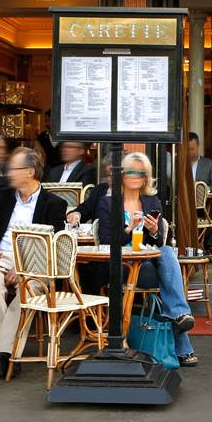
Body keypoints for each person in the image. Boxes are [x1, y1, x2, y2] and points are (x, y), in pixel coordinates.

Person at [83, 152, 200, 365]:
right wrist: (129, 228)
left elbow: (157, 243)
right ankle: (182, 337)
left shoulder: (152, 201)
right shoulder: (107, 203)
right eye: (131, 172)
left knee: (166, 251)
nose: (136, 176)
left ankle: (180, 316)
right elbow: (108, 242)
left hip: (145, 265)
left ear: (146, 177)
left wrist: (154, 231)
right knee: (168, 281)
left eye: (141, 173)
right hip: (119, 266)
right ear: (122, 175)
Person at [0, 148, 70, 377]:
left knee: (26, 291)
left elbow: (51, 246)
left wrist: (23, 268)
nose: (8, 173)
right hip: (0, 258)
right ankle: (3, 354)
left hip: (35, 263)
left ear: (30, 171)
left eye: (13, 168)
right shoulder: (3, 197)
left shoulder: (54, 204)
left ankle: (1, 354)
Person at [187, 134, 212, 221]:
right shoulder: (180, 164)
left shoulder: (209, 164)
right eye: (187, 149)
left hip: (205, 204)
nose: (190, 152)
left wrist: (203, 189)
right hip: (186, 204)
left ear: (198, 147)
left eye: (192, 149)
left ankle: (205, 231)